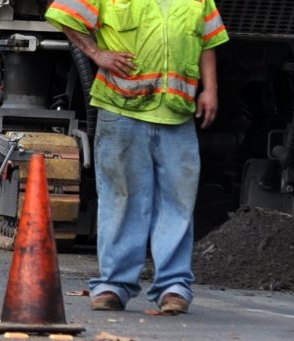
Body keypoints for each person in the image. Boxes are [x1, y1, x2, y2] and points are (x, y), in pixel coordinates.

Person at [49, 0, 227, 315]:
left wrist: (210, 88)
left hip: (176, 114)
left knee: (178, 203)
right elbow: (65, 14)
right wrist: (96, 53)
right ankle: (113, 286)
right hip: (122, 110)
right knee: (122, 199)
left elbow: (208, 40)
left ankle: (173, 288)